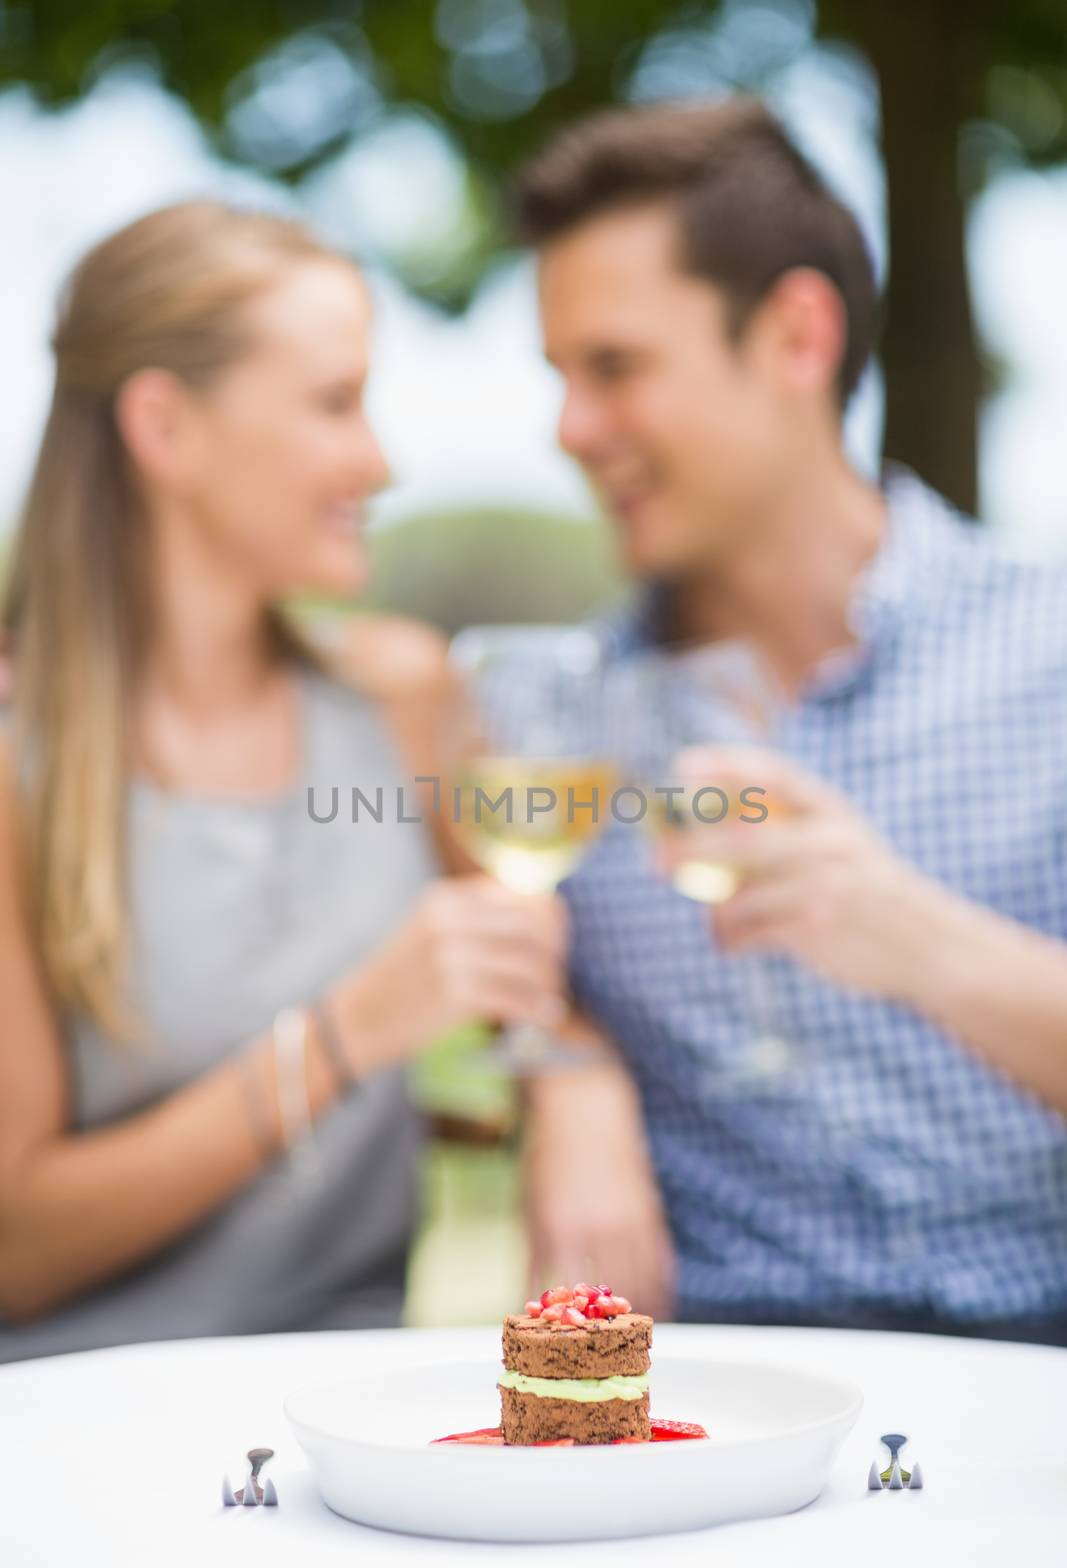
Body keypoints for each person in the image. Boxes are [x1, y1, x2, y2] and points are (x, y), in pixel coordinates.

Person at [515, 98, 1067, 1343]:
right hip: (732, 1406)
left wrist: (922, 944)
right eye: (557, 377)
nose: (568, 429)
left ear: (794, 335)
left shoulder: (1047, 651)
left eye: (613, 367)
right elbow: (508, 966)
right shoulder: (562, 734)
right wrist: (570, 1075)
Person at [0, 201, 571, 1361]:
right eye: (331, 402)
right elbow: (17, 1245)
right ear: (166, 427)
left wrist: (583, 1099)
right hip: (75, 1432)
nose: (380, 460)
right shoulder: (19, 765)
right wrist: (345, 1035)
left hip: (358, 1419)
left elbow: (553, 981)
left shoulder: (404, 698)